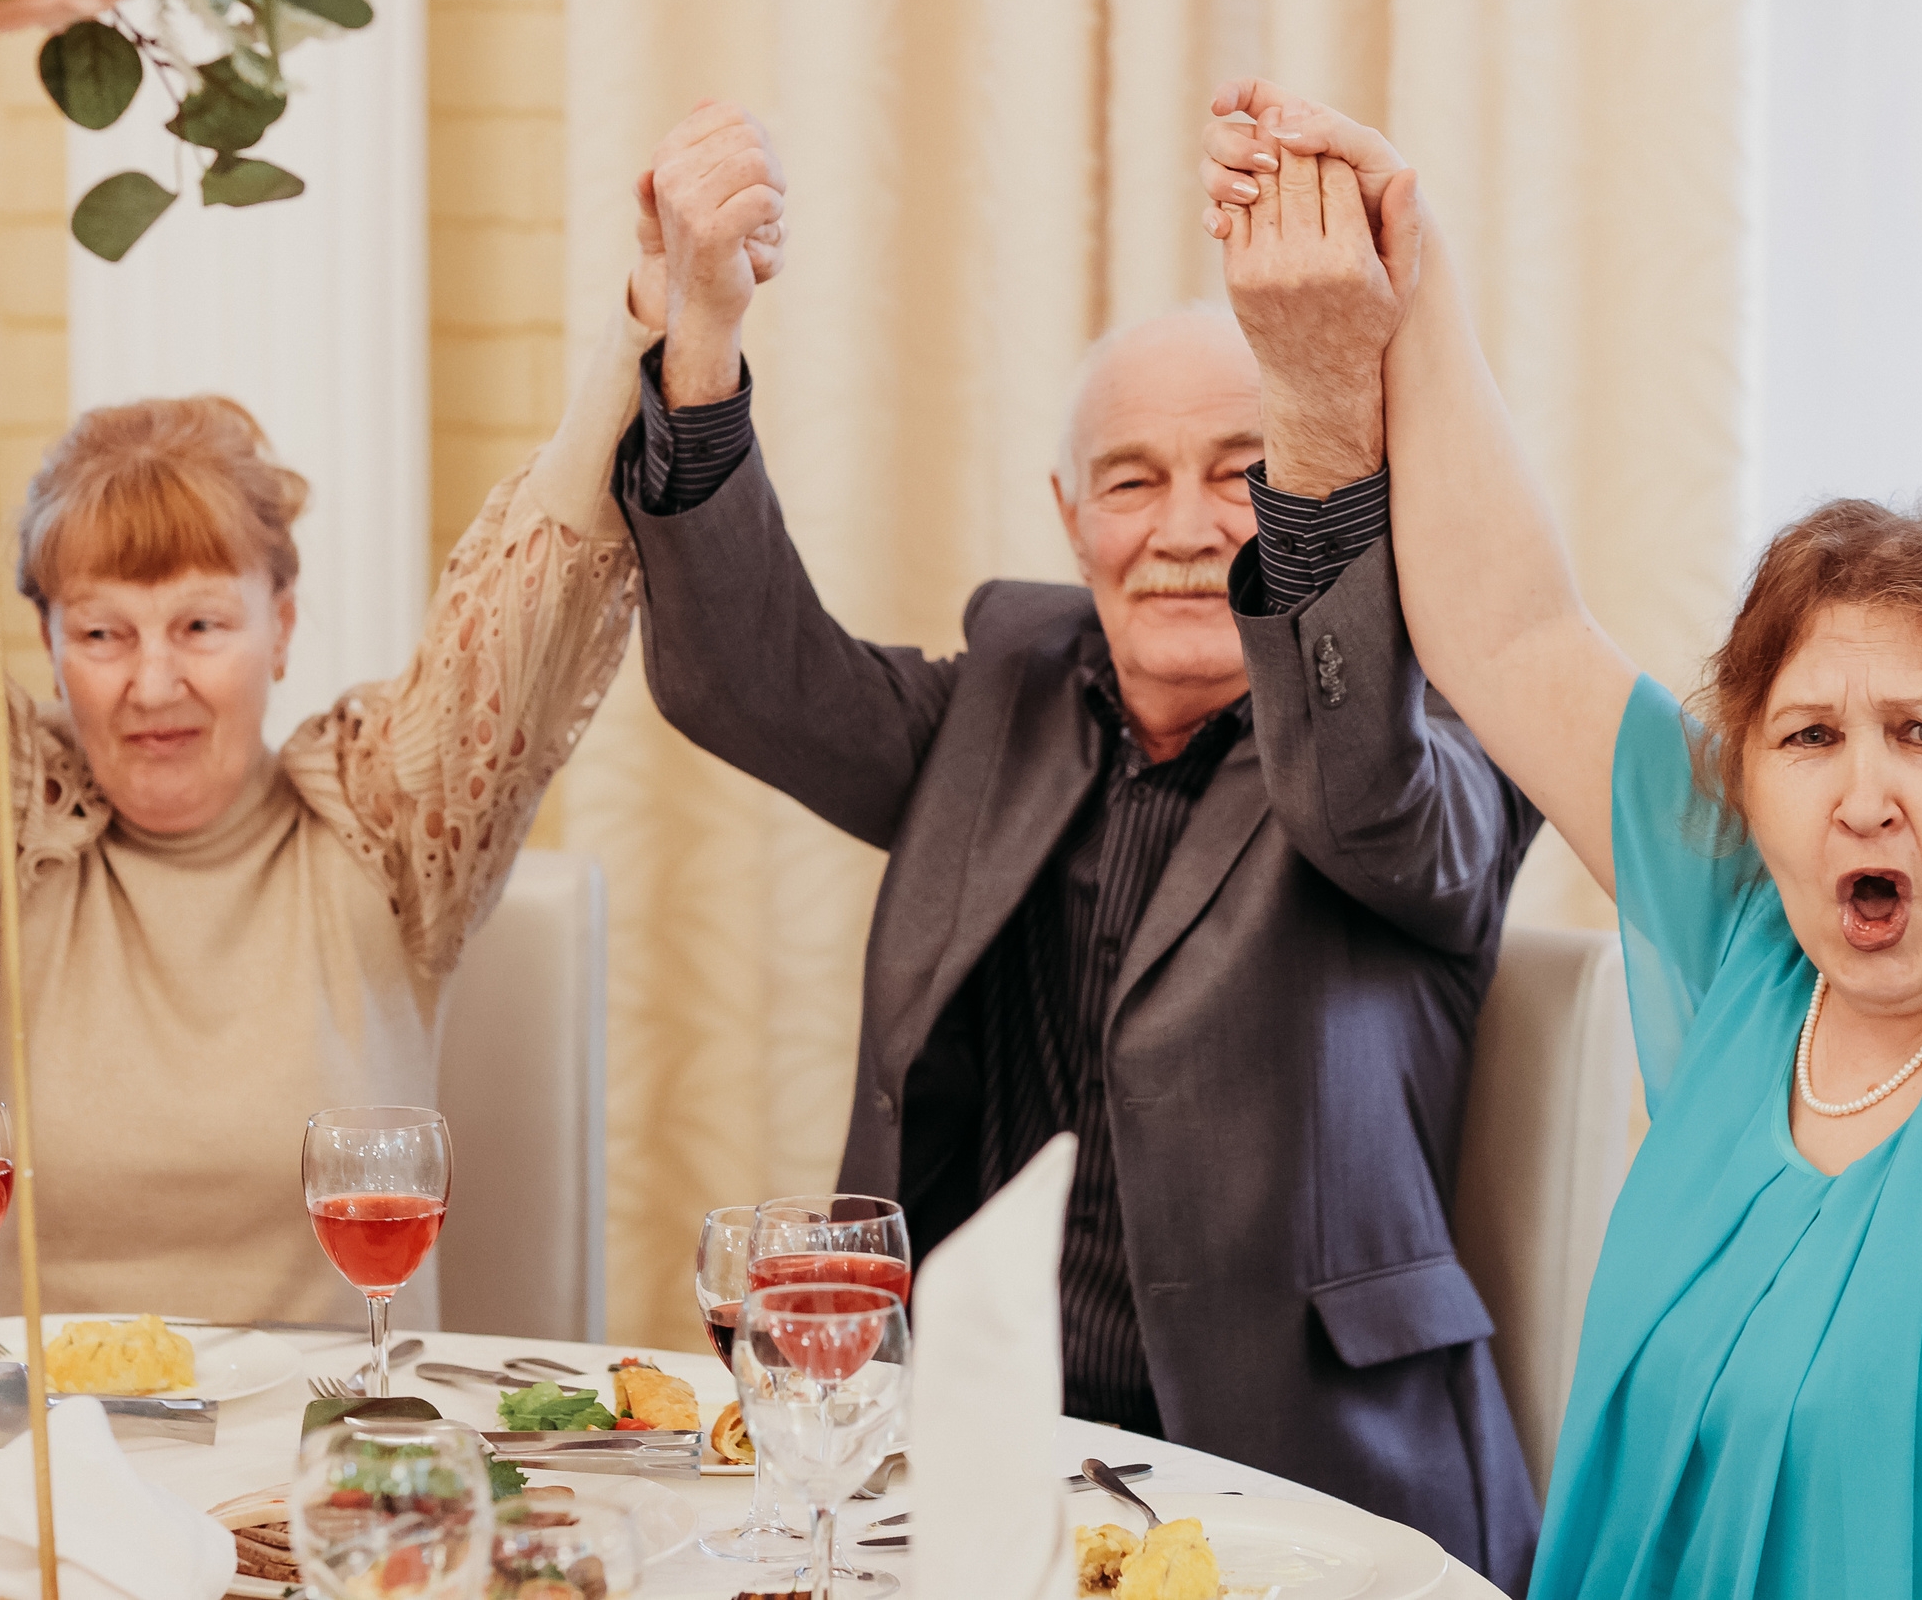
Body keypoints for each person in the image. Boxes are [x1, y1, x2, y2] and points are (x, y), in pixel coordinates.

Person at [1201, 80, 1922, 1596]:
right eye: (1809, 736)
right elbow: (1509, 628)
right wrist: (1403, 271)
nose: (1862, 792)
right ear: (1748, 781)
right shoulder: (1750, 936)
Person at [617, 104, 1542, 1584]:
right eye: (1130, 478)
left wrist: (1319, 415)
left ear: (1313, 490)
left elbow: (1366, 799)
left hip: (1304, 1483)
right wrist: (703, 345)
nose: (1185, 528)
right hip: (981, 1465)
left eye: (1244, 473)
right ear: (1069, 514)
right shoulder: (1007, 695)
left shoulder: (1437, 734)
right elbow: (745, 674)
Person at [0, 109, 783, 1319]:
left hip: (330, 1481)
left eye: (201, 626)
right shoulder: (1, 839)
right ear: (48, 648)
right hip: (54, 1483)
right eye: (101, 634)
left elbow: (537, 589)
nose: (153, 682)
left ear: (283, 626)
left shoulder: (382, 823)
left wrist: (653, 310)